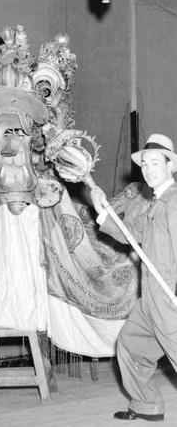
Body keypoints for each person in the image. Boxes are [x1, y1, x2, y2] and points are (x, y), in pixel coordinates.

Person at [90, 133, 177, 422]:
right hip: (149, 295)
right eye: (145, 164)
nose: (149, 169)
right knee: (130, 345)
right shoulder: (153, 203)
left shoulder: (174, 204)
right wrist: (101, 209)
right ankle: (146, 405)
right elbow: (130, 233)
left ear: (170, 166)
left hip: (168, 296)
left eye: (156, 163)